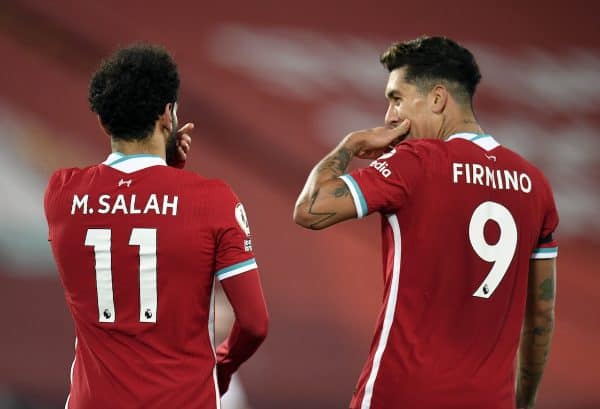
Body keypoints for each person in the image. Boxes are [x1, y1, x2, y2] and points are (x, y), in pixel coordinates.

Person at [294, 36, 557, 409]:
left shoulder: (416, 162)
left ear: (436, 98)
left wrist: (349, 146)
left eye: (396, 98)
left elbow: (309, 208)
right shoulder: (535, 184)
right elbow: (541, 313)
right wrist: (524, 401)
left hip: (401, 394)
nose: (389, 117)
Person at [44, 44, 268, 409]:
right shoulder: (212, 200)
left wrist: (165, 174)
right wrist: (221, 369)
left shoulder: (61, 193)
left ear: (103, 121)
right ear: (168, 114)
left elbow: (127, 223)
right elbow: (255, 322)